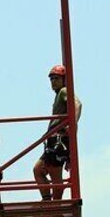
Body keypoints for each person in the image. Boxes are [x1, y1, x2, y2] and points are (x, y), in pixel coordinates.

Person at [33, 65, 83, 200]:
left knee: (55, 175)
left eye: (56, 78)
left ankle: (56, 207)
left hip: (59, 138)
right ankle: (48, 202)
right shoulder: (58, 95)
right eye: (51, 79)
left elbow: (77, 104)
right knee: (38, 170)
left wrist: (72, 123)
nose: (53, 82)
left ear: (64, 79)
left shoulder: (64, 91)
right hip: (53, 137)